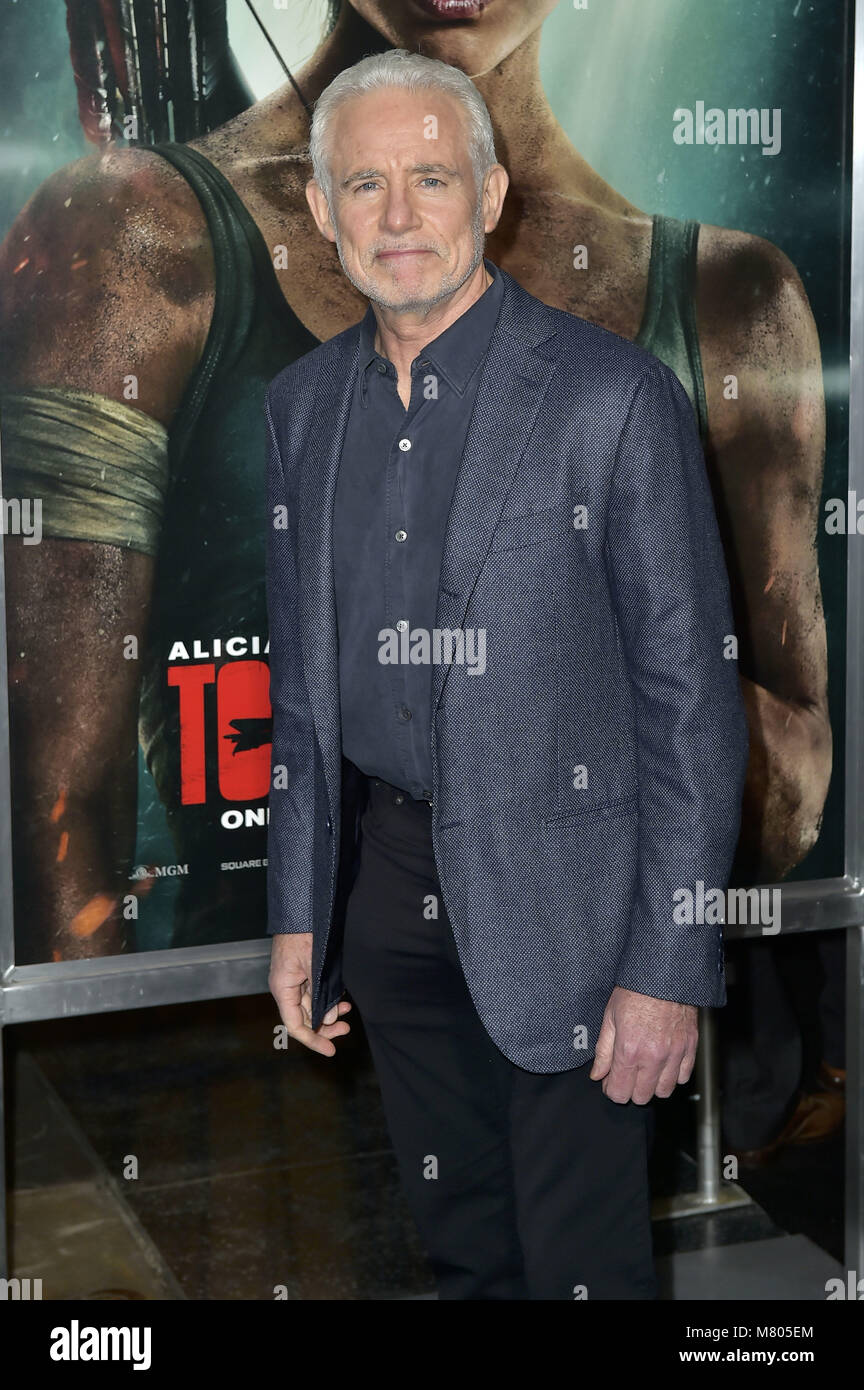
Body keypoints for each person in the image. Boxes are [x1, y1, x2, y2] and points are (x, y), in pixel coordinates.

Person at [0, 0, 827, 964]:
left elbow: (788, 803)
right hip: (261, 1033)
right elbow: (52, 835)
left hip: (587, 1019)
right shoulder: (137, 232)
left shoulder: (730, 298)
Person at [265, 48, 750, 1301]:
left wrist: (669, 967)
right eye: (363, 184)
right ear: (320, 213)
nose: (398, 214)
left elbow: (692, 707)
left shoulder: (613, 398)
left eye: (432, 176)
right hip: (386, 896)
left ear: (491, 196)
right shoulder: (302, 408)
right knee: (461, 1252)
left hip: (578, 910)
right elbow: (305, 702)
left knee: (582, 1268)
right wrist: (299, 910)